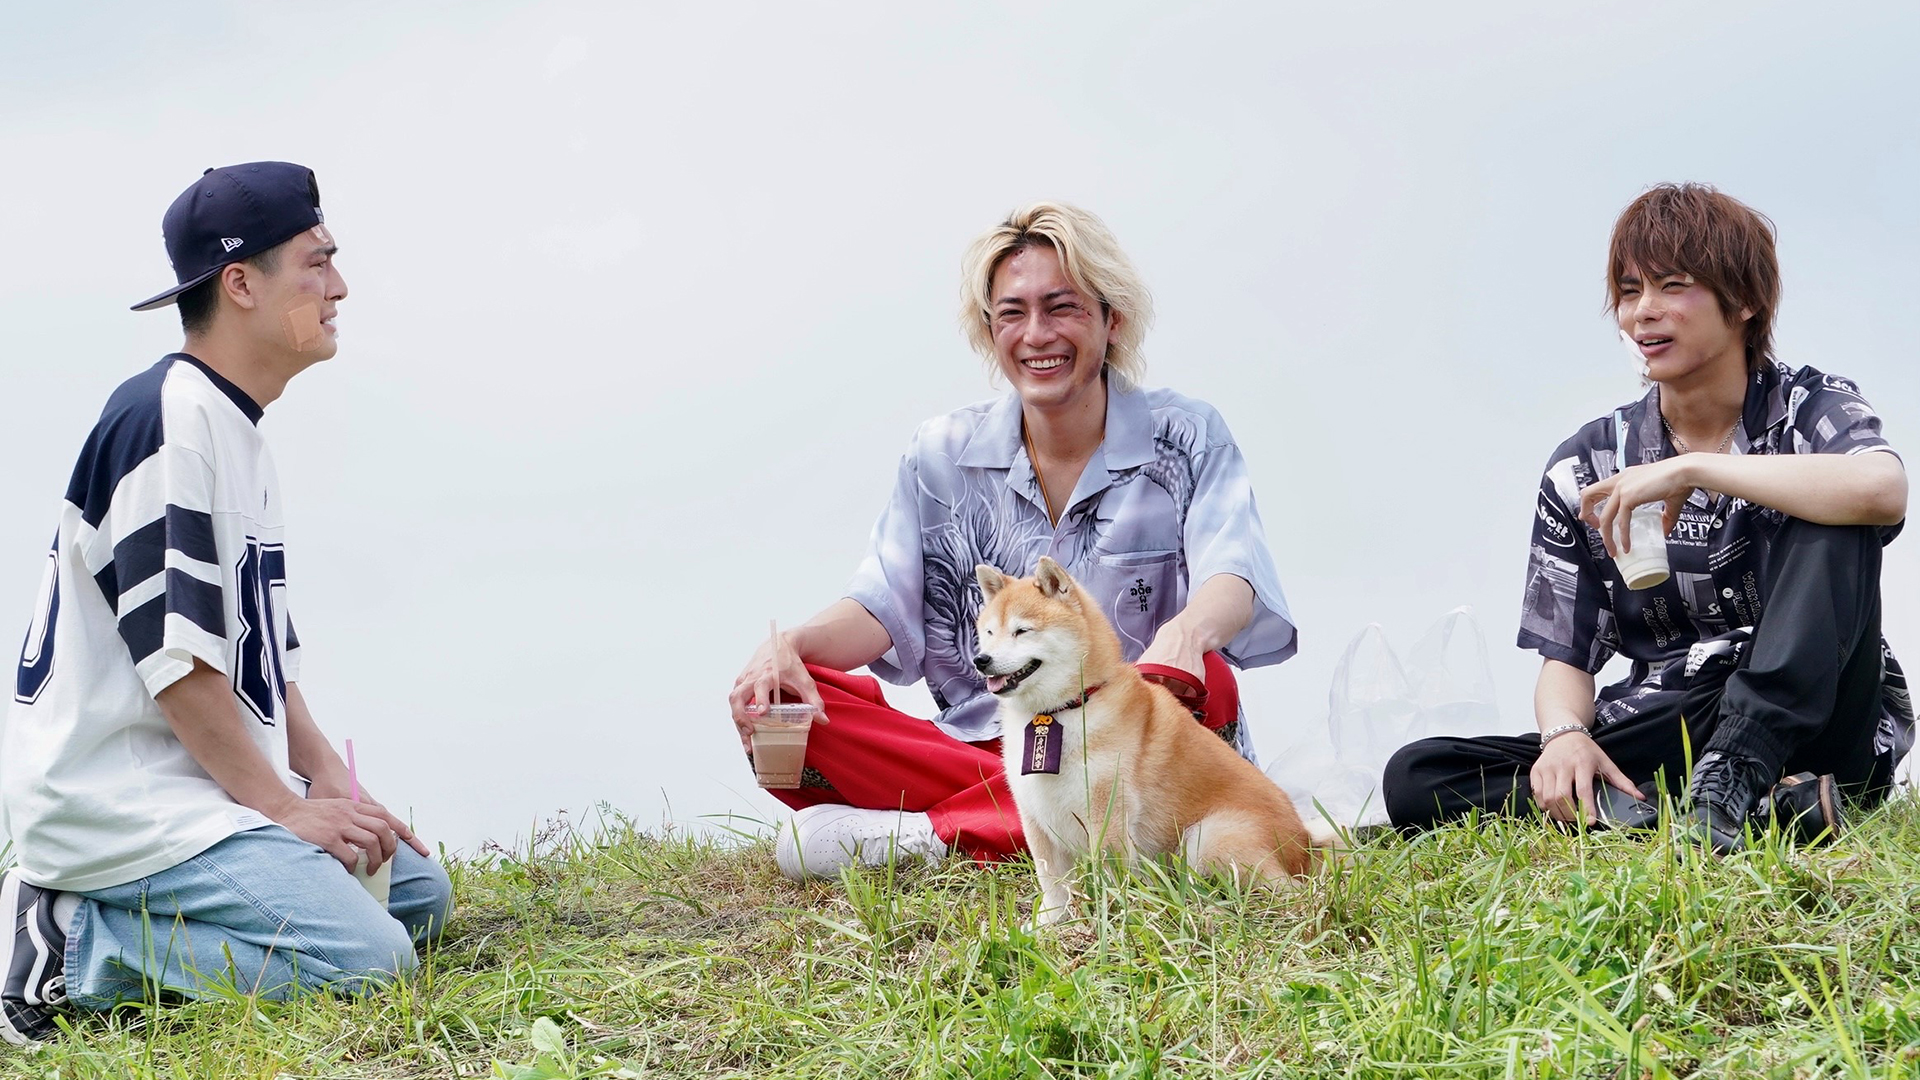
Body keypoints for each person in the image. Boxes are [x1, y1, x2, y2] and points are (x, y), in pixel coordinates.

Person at [0, 163, 453, 1044]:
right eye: (316, 264)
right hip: (127, 805)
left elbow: (258, 657)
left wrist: (323, 773)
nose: (340, 286)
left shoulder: (231, 424)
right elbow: (177, 667)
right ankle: (67, 940)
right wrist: (282, 811)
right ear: (240, 284)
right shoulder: (168, 419)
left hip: (205, 792)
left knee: (419, 897)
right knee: (372, 961)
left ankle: (152, 926)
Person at [727, 202, 1297, 880]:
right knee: (791, 699)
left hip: (1135, 745)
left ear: (1112, 320)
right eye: (1012, 313)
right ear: (988, 330)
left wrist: (1187, 634)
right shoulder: (939, 453)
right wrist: (784, 649)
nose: (1036, 335)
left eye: (1062, 308)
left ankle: (930, 837)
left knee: (1213, 684)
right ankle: (1020, 822)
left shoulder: (1186, 435)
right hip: (983, 745)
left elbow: (1232, 570)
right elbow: (880, 605)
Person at [1383, 183, 1911, 852]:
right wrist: (1566, 737)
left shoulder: (1807, 407)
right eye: (1630, 292)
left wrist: (1692, 470)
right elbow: (1565, 656)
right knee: (1418, 776)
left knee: (1834, 508)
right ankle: (1755, 810)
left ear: (1743, 301)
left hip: (1823, 710)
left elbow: (1882, 486)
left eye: (1672, 286)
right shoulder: (1587, 465)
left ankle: (1736, 775)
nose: (1643, 314)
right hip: (1677, 714)